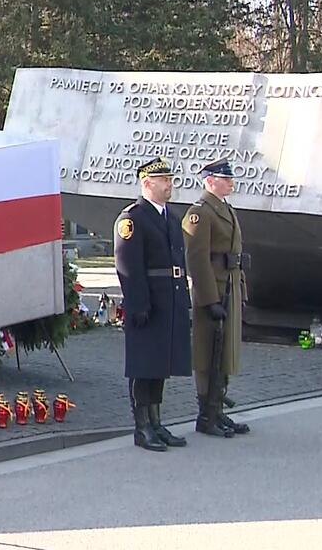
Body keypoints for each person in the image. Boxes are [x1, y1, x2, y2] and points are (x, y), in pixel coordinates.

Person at [114, 157, 192, 452]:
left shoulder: (170, 218)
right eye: (164, 180)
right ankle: (142, 425)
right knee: (143, 365)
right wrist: (138, 304)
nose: (169, 185)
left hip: (169, 299)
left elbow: (178, 263)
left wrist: (182, 299)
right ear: (147, 183)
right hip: (147, 302)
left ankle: (157, 422)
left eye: (170, 179)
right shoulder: (132, 219)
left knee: (161, 364)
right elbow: (128, 265)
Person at [181, 158, 249, 437]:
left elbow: (233, 254)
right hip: (214, 290)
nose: (231, 182)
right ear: (210, 181)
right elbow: (197, 260)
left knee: (225, 351)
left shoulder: (225, 209)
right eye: (225, 178)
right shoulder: (200, 213)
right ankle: (205, 414)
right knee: (208, 351)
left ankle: (218, 410)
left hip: (229, 286)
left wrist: (240, 289)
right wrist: (209, 300)